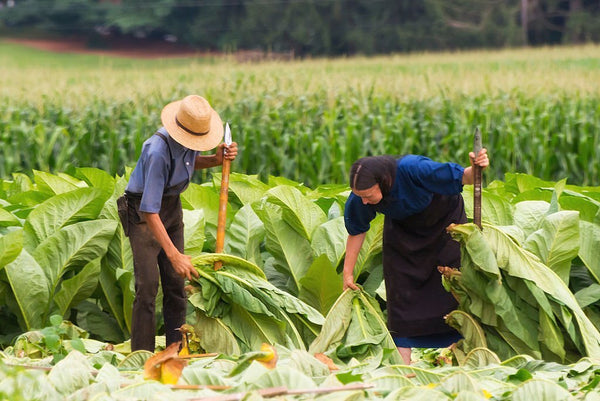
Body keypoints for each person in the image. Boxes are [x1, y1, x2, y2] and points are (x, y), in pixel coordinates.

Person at [342, 149, 489, 364]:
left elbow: (464, 177)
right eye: (359, 196)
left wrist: (476, 168)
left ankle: (456, 354)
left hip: (445, 226)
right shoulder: (362, 195)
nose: (363, 201)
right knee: (400, 292)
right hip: (403, 232)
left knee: (452, 285)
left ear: (383, 182)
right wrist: (348, 273)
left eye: (367, 196)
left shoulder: (413, 169)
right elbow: (357, 229)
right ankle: (405, 366)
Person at [122, 95, 238, 352]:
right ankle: (142, 355)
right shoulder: (157, 151)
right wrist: (173, 254)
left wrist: (216, 159)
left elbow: (187, 162)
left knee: (176, 284)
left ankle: (176, 349)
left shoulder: (188, 138)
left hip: (171, 205)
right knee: (148, 287)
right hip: (143, 212)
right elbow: (150, 211)